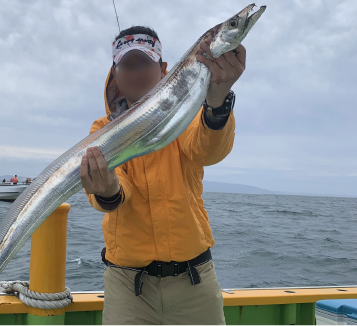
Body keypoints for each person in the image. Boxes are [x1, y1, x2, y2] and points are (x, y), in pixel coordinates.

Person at [80, 26, 245, 326]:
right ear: (115, 73)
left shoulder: (189, 111)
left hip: (194, 283)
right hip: (128, 289)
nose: (136, 72)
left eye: (144, 62)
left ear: (162, 68)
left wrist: (217, 103)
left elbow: (207, 150)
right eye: (127, 65)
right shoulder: (101, 129)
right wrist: (107, 190)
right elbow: (115, 190)